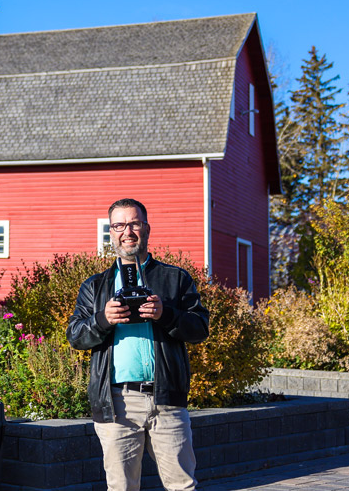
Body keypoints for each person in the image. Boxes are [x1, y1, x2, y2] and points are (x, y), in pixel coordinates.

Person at [66, 198, 209, 491]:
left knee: (183, 486)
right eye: (119, 225)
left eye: (134, 223)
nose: (127, 231)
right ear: (111, 232)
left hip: (166, 398)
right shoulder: (95, 286)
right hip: (117, 403)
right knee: (122, 488)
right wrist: (103, 319)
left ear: (146, 228)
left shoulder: (175, 278)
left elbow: (200, 328)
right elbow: (76, 335)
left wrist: (165, 314)